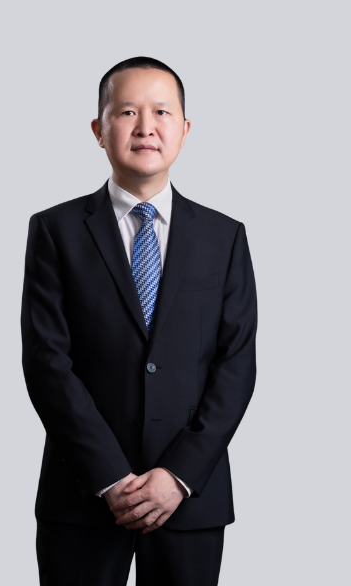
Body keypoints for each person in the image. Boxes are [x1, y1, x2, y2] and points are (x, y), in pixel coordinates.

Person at [21, 56, 258, 586]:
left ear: (185, 130)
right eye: (127, 112)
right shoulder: (56, 231)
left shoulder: (224, 238)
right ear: (98, 130)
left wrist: (178, 475)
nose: (146, 126)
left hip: (189, 499)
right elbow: (46, 362)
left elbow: (236, 365)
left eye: (161, 112)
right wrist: (110, 477)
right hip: (81, 496)